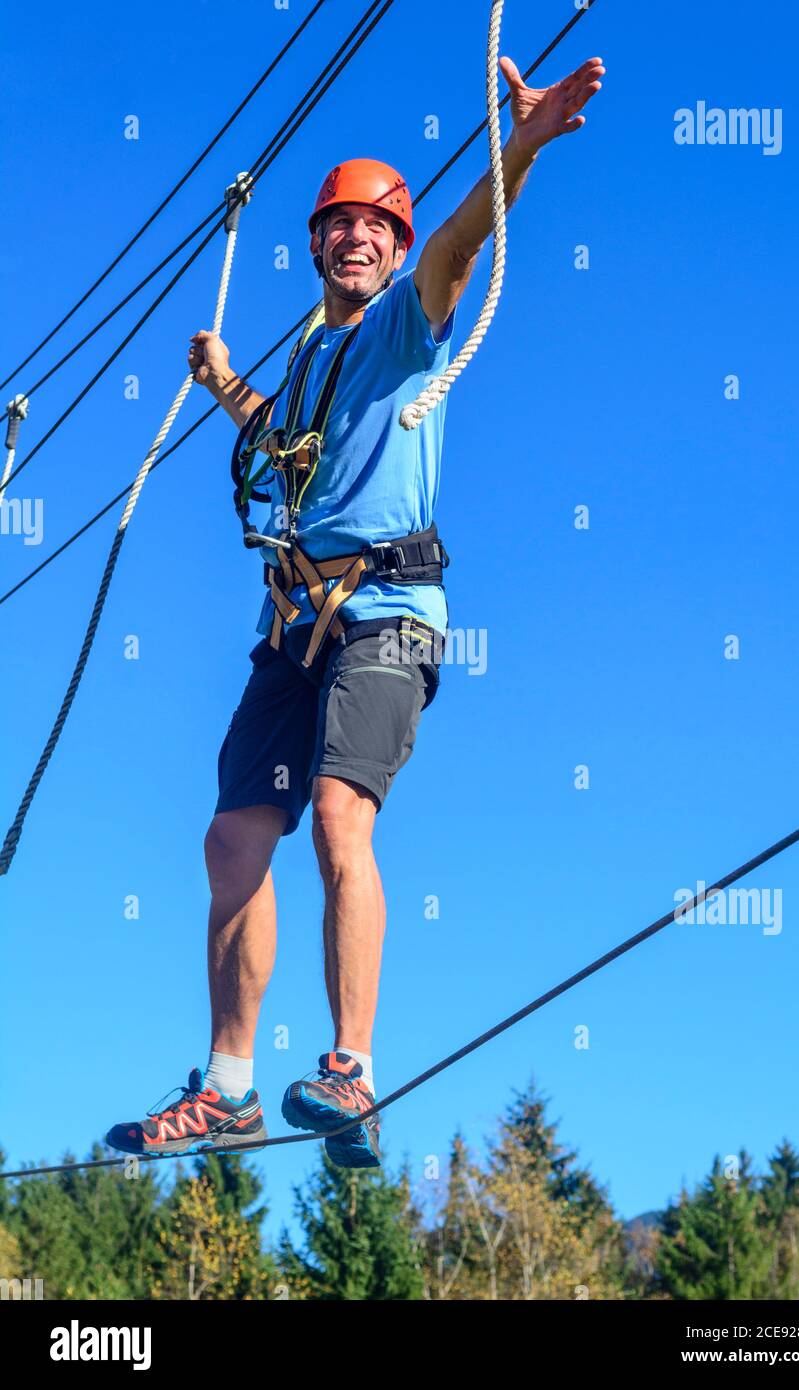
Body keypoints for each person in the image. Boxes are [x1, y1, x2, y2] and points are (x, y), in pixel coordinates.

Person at [107, 54, 605, 1169]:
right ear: (315, 245)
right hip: (294, 627)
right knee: (233, 837)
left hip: (385, 614)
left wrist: (518, 149)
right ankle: (228, 1085)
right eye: (336, 226)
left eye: (372, 227)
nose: (354, 240)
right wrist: (229, 384)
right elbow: (287, 449)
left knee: (338, 814)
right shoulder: (312, 358)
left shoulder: (401, 327)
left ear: (390, 246)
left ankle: (351, 1068)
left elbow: (458, 246)